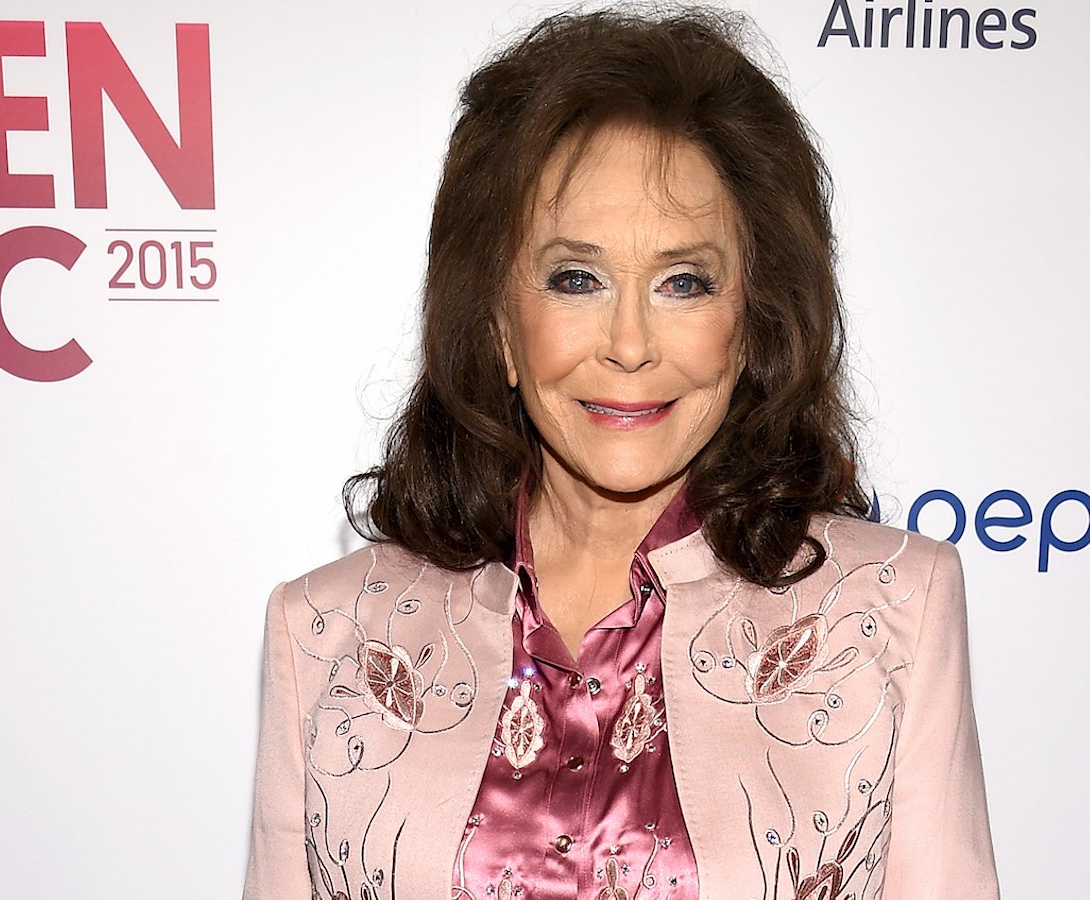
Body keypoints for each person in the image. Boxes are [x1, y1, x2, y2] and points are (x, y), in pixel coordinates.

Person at [243, 9, 997, 899]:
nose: (630, 344)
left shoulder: (891, 611)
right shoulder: (330, 634)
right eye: (577, 279)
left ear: (751, 324)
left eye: (685, 282)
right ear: (497, 323)